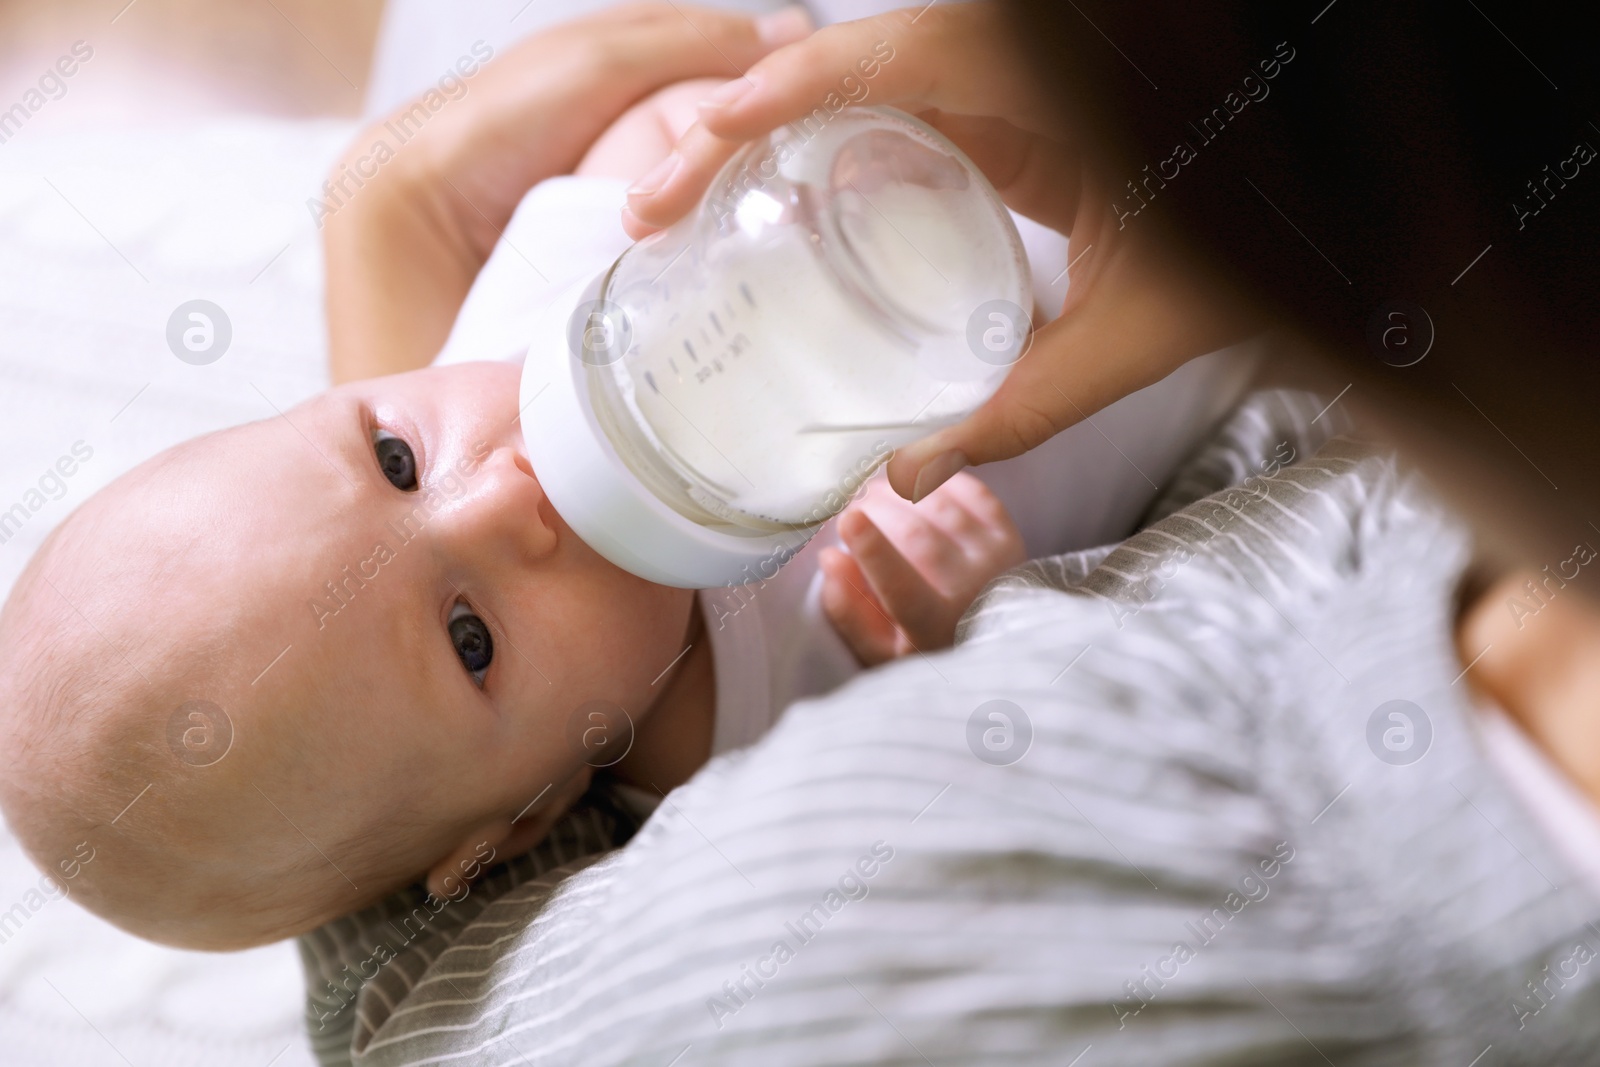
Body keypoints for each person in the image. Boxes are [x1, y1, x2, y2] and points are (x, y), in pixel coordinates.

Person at [278, 4, 1600, 1065]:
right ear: (520, 822)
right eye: (469, 638)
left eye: (396, 454)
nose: (506, 490)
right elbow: (420, 941)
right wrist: (945, 629)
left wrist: (420, 232)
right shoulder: (728, 777)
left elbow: (660, 141)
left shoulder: (520, 325)